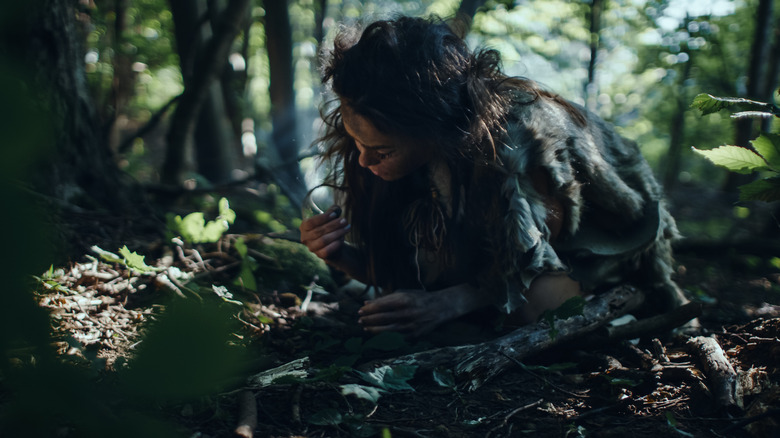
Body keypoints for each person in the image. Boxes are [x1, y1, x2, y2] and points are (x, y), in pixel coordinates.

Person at [300, 15, 687, 338]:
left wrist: (449, 301)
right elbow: (404, 272)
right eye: (357, 143)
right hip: (500, 260)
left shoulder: (520, 143)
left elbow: (528, 263)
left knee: (543, 312)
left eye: (382, 152)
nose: (365, 161)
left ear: (429, 126)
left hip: (588, 249)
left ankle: (624, 297)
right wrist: (339, 256)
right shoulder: (387, 140)